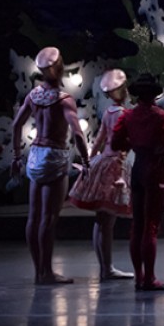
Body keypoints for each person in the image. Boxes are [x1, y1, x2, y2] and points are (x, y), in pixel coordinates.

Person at [10, 46, 91, 284]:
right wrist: (85, 160)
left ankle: (39, 272)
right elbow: (77, 133)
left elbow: (16, 125)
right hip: (54, 155)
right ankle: (47, 272)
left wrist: (16, 156)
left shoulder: (33, 96)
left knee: (33, 217)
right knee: (48, 218)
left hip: (35, 154)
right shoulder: (64, 100)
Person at [111, 73, 164, 291]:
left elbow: (116, 143)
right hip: (155, 169)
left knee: (138, 225)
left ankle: (139, 277)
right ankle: (150, 278)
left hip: (138, 168)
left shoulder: (127, 117)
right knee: (151, 226)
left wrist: (134, 143)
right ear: (155, 94)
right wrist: (161, 144)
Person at [68, 69, 134, 281]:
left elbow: (98, 140)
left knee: (101, 220)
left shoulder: (108, 113)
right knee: (107, 221)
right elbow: (123, 144)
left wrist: (89, 161)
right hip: (115, 166)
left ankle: (105, 266)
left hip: (103, 163)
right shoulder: (124, 115)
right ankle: (107, 268)